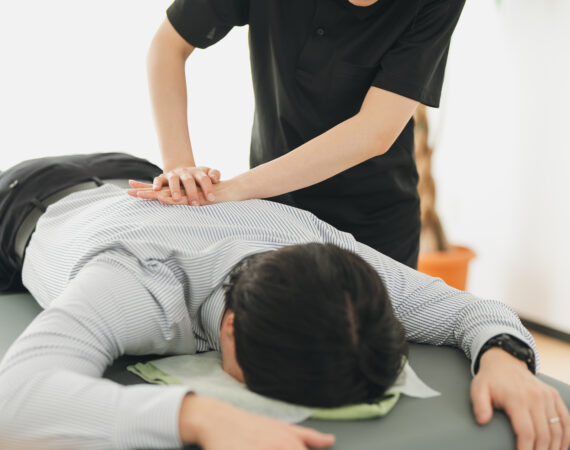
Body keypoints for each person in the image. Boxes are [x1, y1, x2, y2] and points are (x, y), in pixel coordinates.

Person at [0, 154, 568, 450]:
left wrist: (505, 357)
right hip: (28, 199)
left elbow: (464, 309)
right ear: (229, 331)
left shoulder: (327, 254)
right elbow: (16, 402)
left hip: (135, 176)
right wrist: (196, 417)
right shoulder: (136, 284)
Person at [142, 0, 468, 269]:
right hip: (275, 216)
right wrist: (182, 172)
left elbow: (374, 131)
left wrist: (232, 189)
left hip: (376, 228)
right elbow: (169, 44)